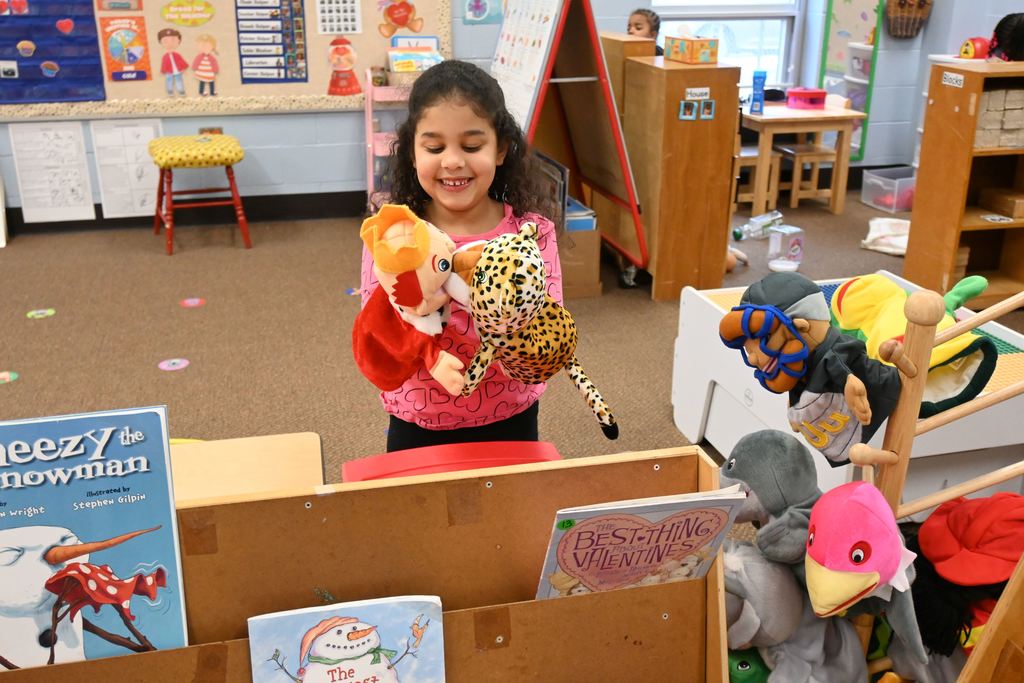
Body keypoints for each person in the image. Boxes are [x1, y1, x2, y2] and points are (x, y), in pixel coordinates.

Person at [361, 60, 559, 452]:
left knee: (510, 506)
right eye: (434, 147)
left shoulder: (530, 232)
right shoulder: (394, 232)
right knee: (421, 510)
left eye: (471, 146)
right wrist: (429, 352)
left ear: (501, 149)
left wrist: (518, 342)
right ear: (413, 153)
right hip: (420, 417)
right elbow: (379, 323)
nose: (452, 160)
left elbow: (549, 318)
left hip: (511, 413)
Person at [157, 28, 187, 97]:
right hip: (169, 72)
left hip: (178, 71)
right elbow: (164, 64)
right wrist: (162, 71)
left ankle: (181, 91)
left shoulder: (177, 55)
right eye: (165, 41)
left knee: (179, 81)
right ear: (161, 42)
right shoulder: (165, 56)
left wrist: (184, 69)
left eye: (173, 40)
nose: (170, 44)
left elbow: (181, 62)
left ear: (178, 41)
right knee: (169, 81)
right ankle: (170, 92)